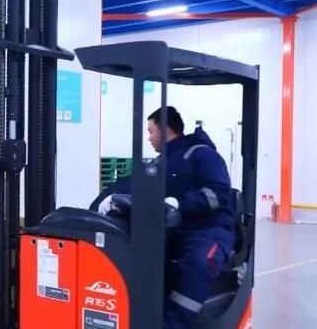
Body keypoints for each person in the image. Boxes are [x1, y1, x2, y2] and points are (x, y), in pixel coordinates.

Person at [96, 106, 236, 329]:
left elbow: (219, 193)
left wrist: (181, 203)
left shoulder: (202, 155)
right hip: (175, 229)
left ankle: (175, 323)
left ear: (165, 129)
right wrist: (111, 198)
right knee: (139, 256)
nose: (149, 137)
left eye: (150, 131)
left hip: (209, 229)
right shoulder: (161, 162)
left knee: (197, 263)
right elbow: (137, 185)